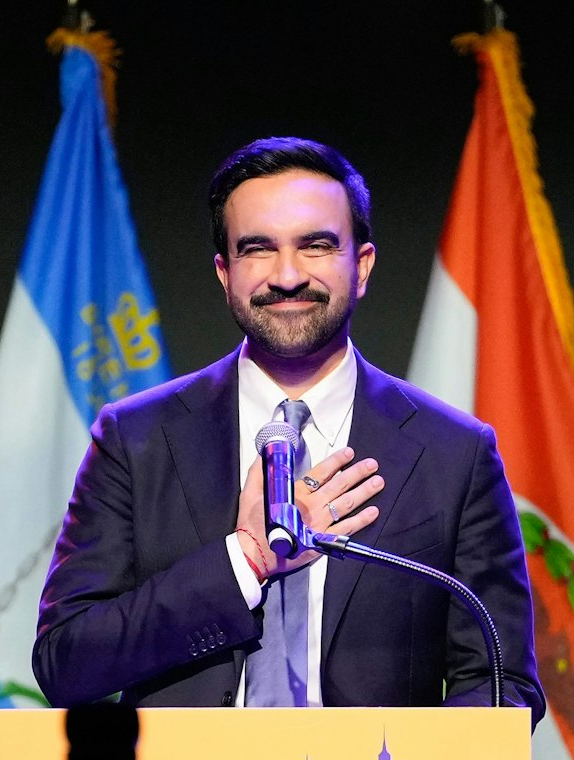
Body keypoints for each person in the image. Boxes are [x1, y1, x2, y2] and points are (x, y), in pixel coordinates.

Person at [33, 136, 543, 721]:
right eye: (258, 249)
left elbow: (503, 686)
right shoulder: (136, 440)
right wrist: (244, 562)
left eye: (317, 245)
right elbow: (64, 663)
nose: (288, 275)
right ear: (225, 274)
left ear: (363, 266)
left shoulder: (454, 455)